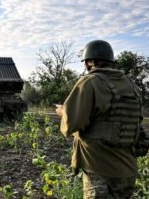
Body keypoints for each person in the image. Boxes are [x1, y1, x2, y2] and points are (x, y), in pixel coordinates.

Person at [55, 40, 147, 198]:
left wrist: (63, 112)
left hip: (99, 170)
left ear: (89, 62)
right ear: (111, 62)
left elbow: (70, 125)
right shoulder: (132, 86)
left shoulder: (89, 82)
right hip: (127, 171)